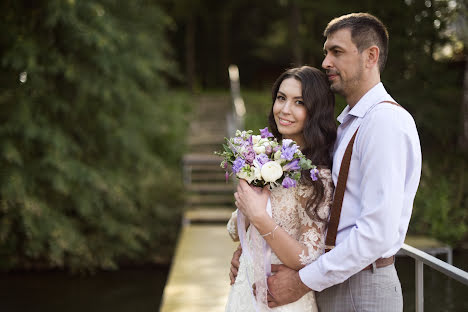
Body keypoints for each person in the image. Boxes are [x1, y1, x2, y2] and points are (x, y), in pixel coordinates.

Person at [229, 13, 422, 312]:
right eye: (325, 52)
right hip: (332, 282)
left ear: (371, 56)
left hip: (363, 286)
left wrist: (305, 280)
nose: (326, 63)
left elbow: (376, 234)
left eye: (337, 52)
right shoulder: (347, 125)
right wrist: (251, 247)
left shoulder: (385, 122)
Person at [225, 66, 337, 311]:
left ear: (316, 110)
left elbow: (309, 257)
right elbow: (235, 230)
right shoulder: (262, 160)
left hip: (283, 299)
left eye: (299, 102)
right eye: (281, 98)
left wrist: (259, 217)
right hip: (245, 290)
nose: (285, 109)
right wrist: (245, 218)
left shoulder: (318, 177)